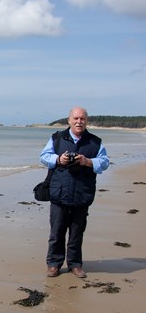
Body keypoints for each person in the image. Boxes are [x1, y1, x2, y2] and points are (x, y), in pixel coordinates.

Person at [40, 107, 110, 278]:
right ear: (69, 120)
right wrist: (58, 159)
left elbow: (105, 162)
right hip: (59, 194)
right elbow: (43, 156)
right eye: (76, 118)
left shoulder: (95, 142)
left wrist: (87, 161)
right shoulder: (57, 138)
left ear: (87, 121)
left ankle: (75, 265)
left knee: (77, 233)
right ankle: (54, 264)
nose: (79, 121)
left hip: (82, 194)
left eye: (82, 119)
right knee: (56, 232)